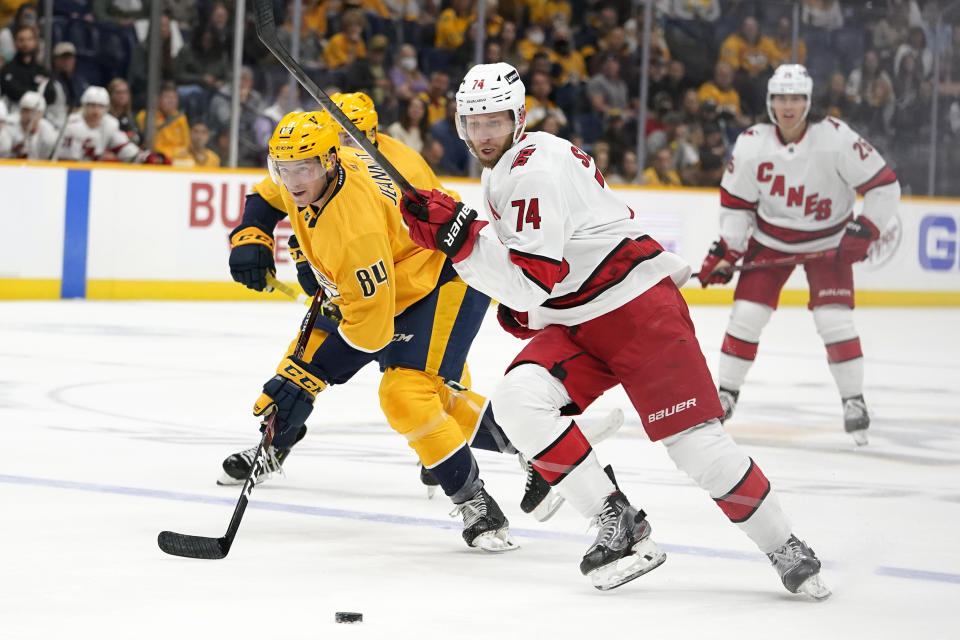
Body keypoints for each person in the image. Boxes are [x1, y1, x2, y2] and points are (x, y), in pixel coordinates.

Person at [398, 62, 830, 598]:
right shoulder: (511, 163)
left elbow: (531, 280)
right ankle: (617, 520)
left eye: (494, 120)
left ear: (519, 117)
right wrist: (469, 241)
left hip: (636, 310)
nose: (483, 134)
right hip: (581, 315)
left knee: (695, 445)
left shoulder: (530, 170)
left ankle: (784, 543)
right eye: (473, 122)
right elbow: (535, 263)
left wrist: (459, 243)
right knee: (516, 401)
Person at [696, 64, 900, 447]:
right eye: (780, 98)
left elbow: (884, 186)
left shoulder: (836, 138)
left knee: (834, 320)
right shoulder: (752, 142)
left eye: (795, 98)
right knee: (746, 315)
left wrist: (867, 228)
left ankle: (853, 400)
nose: (788, 106)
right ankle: (725, 393)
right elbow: (736, 206)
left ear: (808, 101)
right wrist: (727, 250)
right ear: (770, 103)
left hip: (828, 242)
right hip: (770, 239)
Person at [56, 86, 163, 163]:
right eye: (92, 105)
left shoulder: (109, 124)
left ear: (106, 108)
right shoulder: (72, 124)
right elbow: (67, 161)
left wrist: (146, 158)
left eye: (100, 106)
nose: (96, 111)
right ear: (84, 106)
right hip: (67, 174)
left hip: (93, 173)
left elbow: (125, 149)